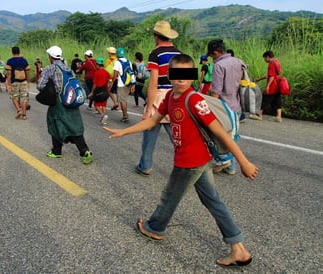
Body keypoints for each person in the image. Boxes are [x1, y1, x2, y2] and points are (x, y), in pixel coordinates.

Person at [103, 54, 258, 268]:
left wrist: (243, 161)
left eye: (186, 75)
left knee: (169, 198)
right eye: (177, 75)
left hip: (190, 162)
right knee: (212, 201)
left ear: (192, 76)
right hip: (198, 161)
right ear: (170, 75)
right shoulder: (169, 97)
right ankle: (238, 248)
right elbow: (153, 121)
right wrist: (124, 132)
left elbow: (220, 132)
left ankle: (154, 228)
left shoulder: (194, 99)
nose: (181, 80)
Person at [136, 20, 182, 176]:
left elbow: (153, 83)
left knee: (149, 135)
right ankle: (186, 166)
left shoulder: (155, 54)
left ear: (156, 36)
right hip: (176, 98)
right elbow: (184, 81)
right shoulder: (180, 53)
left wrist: (148, 108)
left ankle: (145, 165)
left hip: (159, 98)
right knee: (177, 138)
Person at [37, 46, 93, 164]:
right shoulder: (67, 68)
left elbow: (40, 85)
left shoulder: (50, 68)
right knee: (74, 125)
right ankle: (85, 151)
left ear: (50, 57)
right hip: (71, 100)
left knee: (54, 122)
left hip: (59, 102)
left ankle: (57, 151)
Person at [207, 39, 245, 175]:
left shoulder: (219, 66)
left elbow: (216, 91)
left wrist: (209, 109)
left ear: (216, 53)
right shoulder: (238, 61)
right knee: (231, 136)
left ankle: (223, 161)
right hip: (237, 105)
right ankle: (230, 167)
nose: (212, 58)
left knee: (217, 136)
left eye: (212, 55)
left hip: (224, 108)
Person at [253, 50, 283, 122]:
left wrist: (268, 86)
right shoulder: (277, 62)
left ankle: (259, 115)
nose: (265, 60)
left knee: (264, 99)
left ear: (267, 57)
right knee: (277, 100)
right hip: (278, 85)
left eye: (264, 58)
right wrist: (259, 79)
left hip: (272, 85)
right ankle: (279, 117)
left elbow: (271, 76)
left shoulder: (271, 64)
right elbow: (269, 75)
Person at [6, 46, 30, 120]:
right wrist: (28, 81)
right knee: (24, 97)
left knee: (14, 96)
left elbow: (9, 73)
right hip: (23, 81)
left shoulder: (10, 61)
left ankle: (19, 110)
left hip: (14, 81)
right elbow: (27, 72)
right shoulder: (24, 61)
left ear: (12, 52)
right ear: (19, 51)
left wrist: (8, 83)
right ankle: (24, 115)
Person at [112, 47, 135, 123]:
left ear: (117, 55)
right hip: (128, 83)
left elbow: (115, 74)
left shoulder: (117, 62)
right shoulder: (129, 61)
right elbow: (132, 73)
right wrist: (133, 85)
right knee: (124, 99)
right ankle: (125, 115)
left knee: (123, 101)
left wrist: (112, 82)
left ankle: (125, 116)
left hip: (121, 84)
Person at [89, 57, 111, 125]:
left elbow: (95, 84)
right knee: (104, 105)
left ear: (98, 65)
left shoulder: (97, 73)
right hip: (105, 90)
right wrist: (109, 87)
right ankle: (104, 119)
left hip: (98, 90)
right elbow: (110, 80)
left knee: (96, 105)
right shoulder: (106, 72)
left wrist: (92, 92)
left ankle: (103, 115)